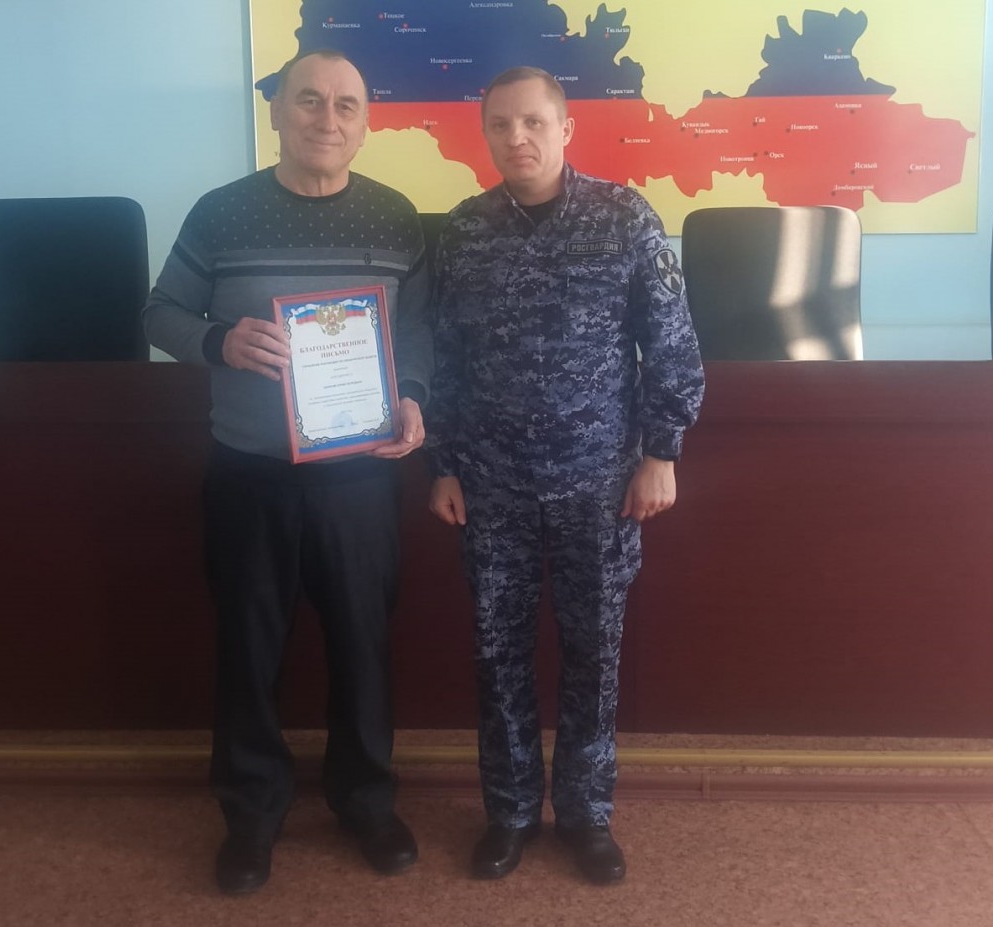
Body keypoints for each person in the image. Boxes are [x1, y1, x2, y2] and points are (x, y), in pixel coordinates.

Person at [142, 49, 431, 895]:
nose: (326, 119)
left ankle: (366, 801)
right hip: (250, 473)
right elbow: (159, 310)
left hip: (360, 479)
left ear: (366, 122)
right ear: (277, 112)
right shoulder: (220, 212)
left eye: (346, 105)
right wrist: (218, 340)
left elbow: (420, 332)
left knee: (364, 646)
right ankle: (251, 813)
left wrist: (414, 397)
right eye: (309, 100)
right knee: (249, 645)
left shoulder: (397, 217)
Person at [425, 66, 704, 885]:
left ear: (566, 127)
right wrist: (443, 465)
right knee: (496, 650)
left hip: (600, 483)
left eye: (534, 122)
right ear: (486, 134)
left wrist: (662, 451)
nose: (517, 138)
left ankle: (585, 813)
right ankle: (510, 812)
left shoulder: (625, 218)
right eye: (501, 124)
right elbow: (445, 360)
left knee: (595, 651)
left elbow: (672, 342)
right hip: (491, 483)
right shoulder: (463, 231)